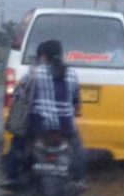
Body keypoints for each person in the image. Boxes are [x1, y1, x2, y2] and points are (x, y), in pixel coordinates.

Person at [29, 39, 85, 183]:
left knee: (19, 143)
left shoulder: (34, 74)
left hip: (39, 126)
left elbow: (20, 96)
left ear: (43, 57)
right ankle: (79, 181)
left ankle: (13, 177)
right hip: (65, 127)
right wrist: (75, 110)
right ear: (61, 55)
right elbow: (77, 103)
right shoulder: (72, 74)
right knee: (78, 149)